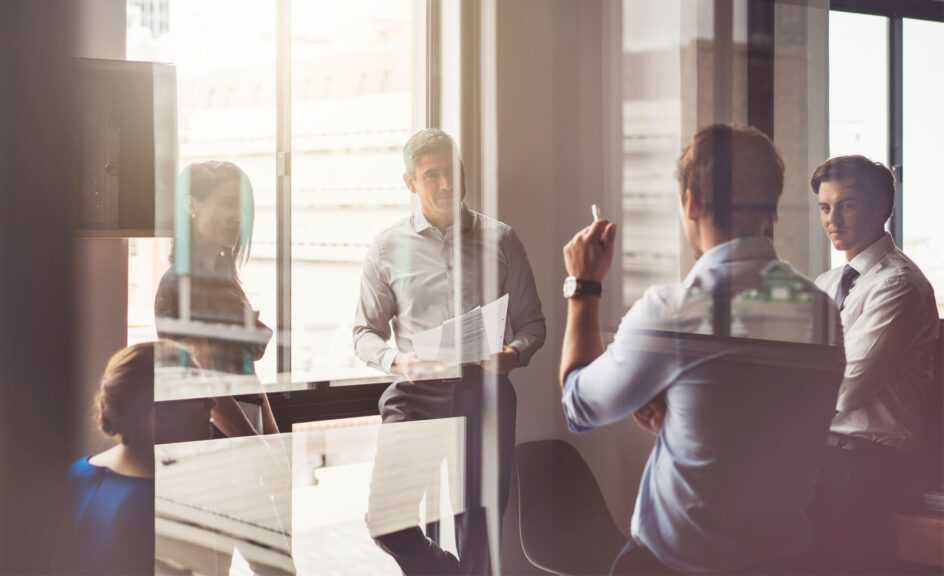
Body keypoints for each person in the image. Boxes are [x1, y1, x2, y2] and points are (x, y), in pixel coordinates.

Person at [558, 124, 846, 574]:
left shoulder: (675, 312)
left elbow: (578, 403)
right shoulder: (822, 311)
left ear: (690, 202)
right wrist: (687, 416)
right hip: (787, 560)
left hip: (677, 565)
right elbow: (758, 417)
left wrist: (584, 285)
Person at [354, 128, 546, 575]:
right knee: (387, 521)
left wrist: (514, 353)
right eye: (431, 175)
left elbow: (533, 324)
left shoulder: (502, 240)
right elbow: (364, 332)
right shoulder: (385, 248)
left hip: (485, 394)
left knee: (479, 529)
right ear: (410, 183)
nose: (445, 185)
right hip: (416, 392)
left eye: (451, 172)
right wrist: (397, 360)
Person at [807, 155, 938, 572]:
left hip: (868, 463)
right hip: (821, 455)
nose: (833, 219)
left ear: (881, 206)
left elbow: (846, 389)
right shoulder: (826, 284)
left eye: (846, 204)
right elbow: (787, 366)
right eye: (825, 207)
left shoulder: (897, 284)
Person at [69, 340, 215, 575]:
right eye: (201, 396)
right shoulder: (162, 510)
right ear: (158, 418)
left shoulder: (75, 474)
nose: (213, 404)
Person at [155, 160, 278, 436]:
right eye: (227, 204)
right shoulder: (181, 285)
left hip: (244, 426)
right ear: (192, 206)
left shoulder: (225, 283)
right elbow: (208, 387)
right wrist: (258, 448)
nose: (239, 218)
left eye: (242, 208)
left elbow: (249, 376)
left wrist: (274, 439)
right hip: (212, 435)